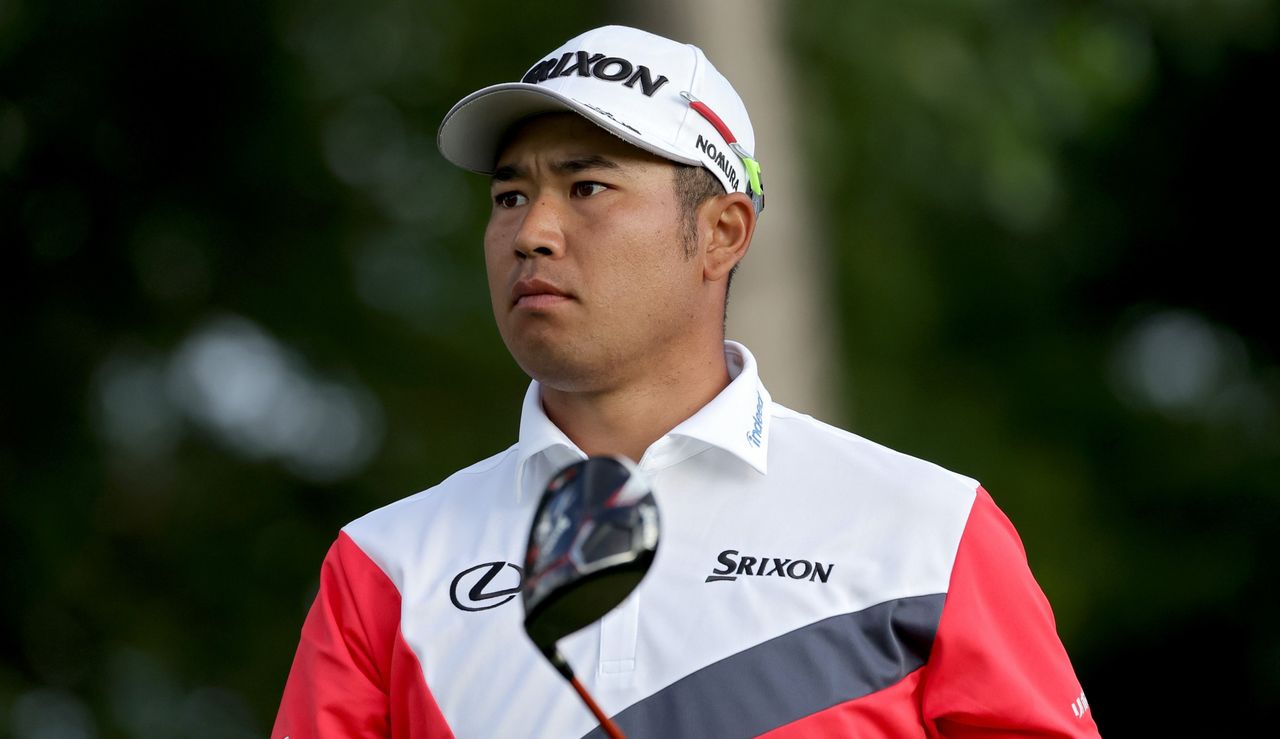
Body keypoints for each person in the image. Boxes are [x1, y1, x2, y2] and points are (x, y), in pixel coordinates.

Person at [272, 25, 1100, 738]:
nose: (532, 232)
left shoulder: (930, 533)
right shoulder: (386, 564)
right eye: (509, 194)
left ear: (720, 233)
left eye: (586, 185)